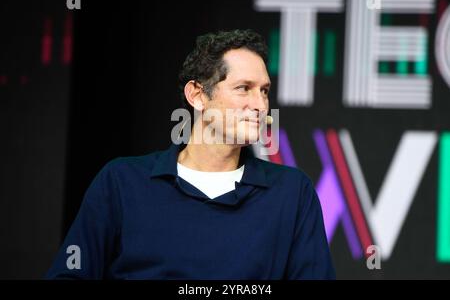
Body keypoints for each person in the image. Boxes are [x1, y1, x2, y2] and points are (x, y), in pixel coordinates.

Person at [46, 29, 335, 279]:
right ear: (197, 95)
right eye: (244, 89)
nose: (260, 104)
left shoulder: (291, 192)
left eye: (264, 91)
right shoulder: (122, 183)